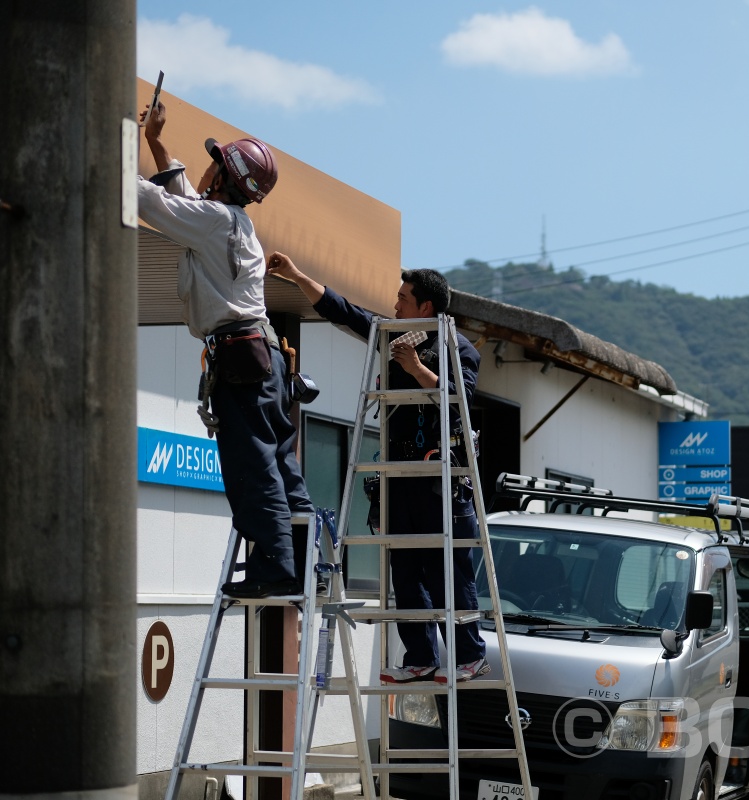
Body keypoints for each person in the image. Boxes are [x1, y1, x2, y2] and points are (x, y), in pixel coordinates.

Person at [265, 253, 489, 684]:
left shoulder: (457, 347)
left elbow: (458, 397)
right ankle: (420, 656)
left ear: (427, 307)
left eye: (404, 298)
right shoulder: (391, 334)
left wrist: (413, 366)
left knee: (447, 569)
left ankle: (469, 656)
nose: (396, 305)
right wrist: (295, 276)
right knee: (404, 568)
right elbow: (344, 310)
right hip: (398, 470)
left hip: (439, 474)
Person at [136, 102, 313, 599]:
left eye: (214, 161)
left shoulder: (214, 223)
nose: (206, 166)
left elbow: (154, 203)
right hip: (262, 355)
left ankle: (275, 569)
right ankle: (301, 561)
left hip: (242, 356)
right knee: (279, 461)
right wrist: (156, 141)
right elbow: (184, 199)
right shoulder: (231, 222)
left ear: (223, 175)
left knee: (251, 464)